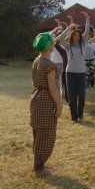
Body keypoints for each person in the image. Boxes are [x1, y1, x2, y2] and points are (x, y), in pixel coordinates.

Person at [30, 32, 62, 175]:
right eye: (53, 43)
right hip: (46, 100)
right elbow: (52, 88)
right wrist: (59, 105)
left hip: (36, 98)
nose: (54, 44)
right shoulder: (49, 65)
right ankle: (39, 167)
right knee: (47, 135)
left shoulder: (37, 60)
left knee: (38, 133)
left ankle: (39, 163)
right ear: (49, 46)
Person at [58, 12, 90, 122]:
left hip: (81, 73)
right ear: (72, 36)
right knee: (71, 96)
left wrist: (87, 19)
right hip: (70, 73)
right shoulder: (68, 46)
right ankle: (74, 117)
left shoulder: (83, 44)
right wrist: (70, 27)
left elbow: (87, 31)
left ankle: (80, 114)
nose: (77, 37)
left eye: (78, 35)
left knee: (81, 95)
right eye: (75, 35)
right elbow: (61, 37)